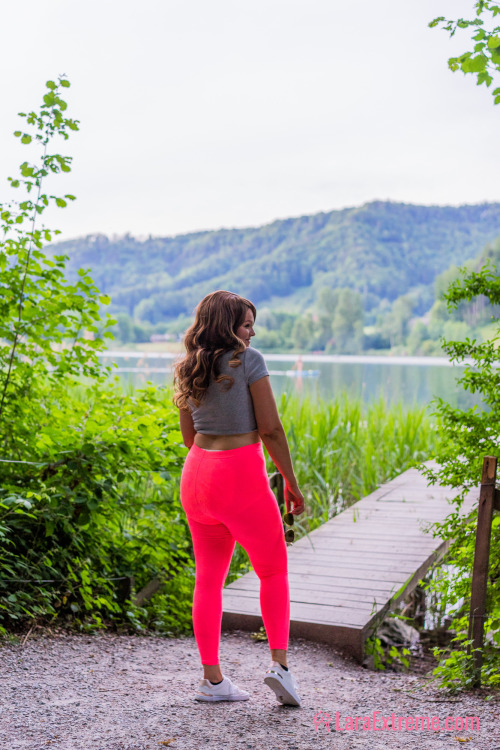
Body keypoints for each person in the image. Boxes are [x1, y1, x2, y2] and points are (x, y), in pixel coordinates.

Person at [172, 290, 305, 706]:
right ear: (227, 324)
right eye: (246, 324)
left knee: (208, 578)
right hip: (239, 476)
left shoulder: (187, 367)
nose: (251, 332)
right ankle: (280, 670)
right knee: (273, 570)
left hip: (196, 477)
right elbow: (271, 429)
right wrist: (290, 481)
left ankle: (212, 682)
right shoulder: (249, 360)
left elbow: (189, 438)